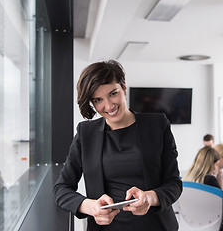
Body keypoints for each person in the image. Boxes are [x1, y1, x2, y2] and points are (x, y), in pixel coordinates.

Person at [53, 60, 182, 231]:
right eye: (98, 100)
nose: (108, 105)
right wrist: (91, 207)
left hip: (156, 226)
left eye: (113, 94)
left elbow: (174, 183)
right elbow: (62, 189)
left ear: (124, 87)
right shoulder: (86, 134)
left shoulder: (158, 125)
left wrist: (150, 198)